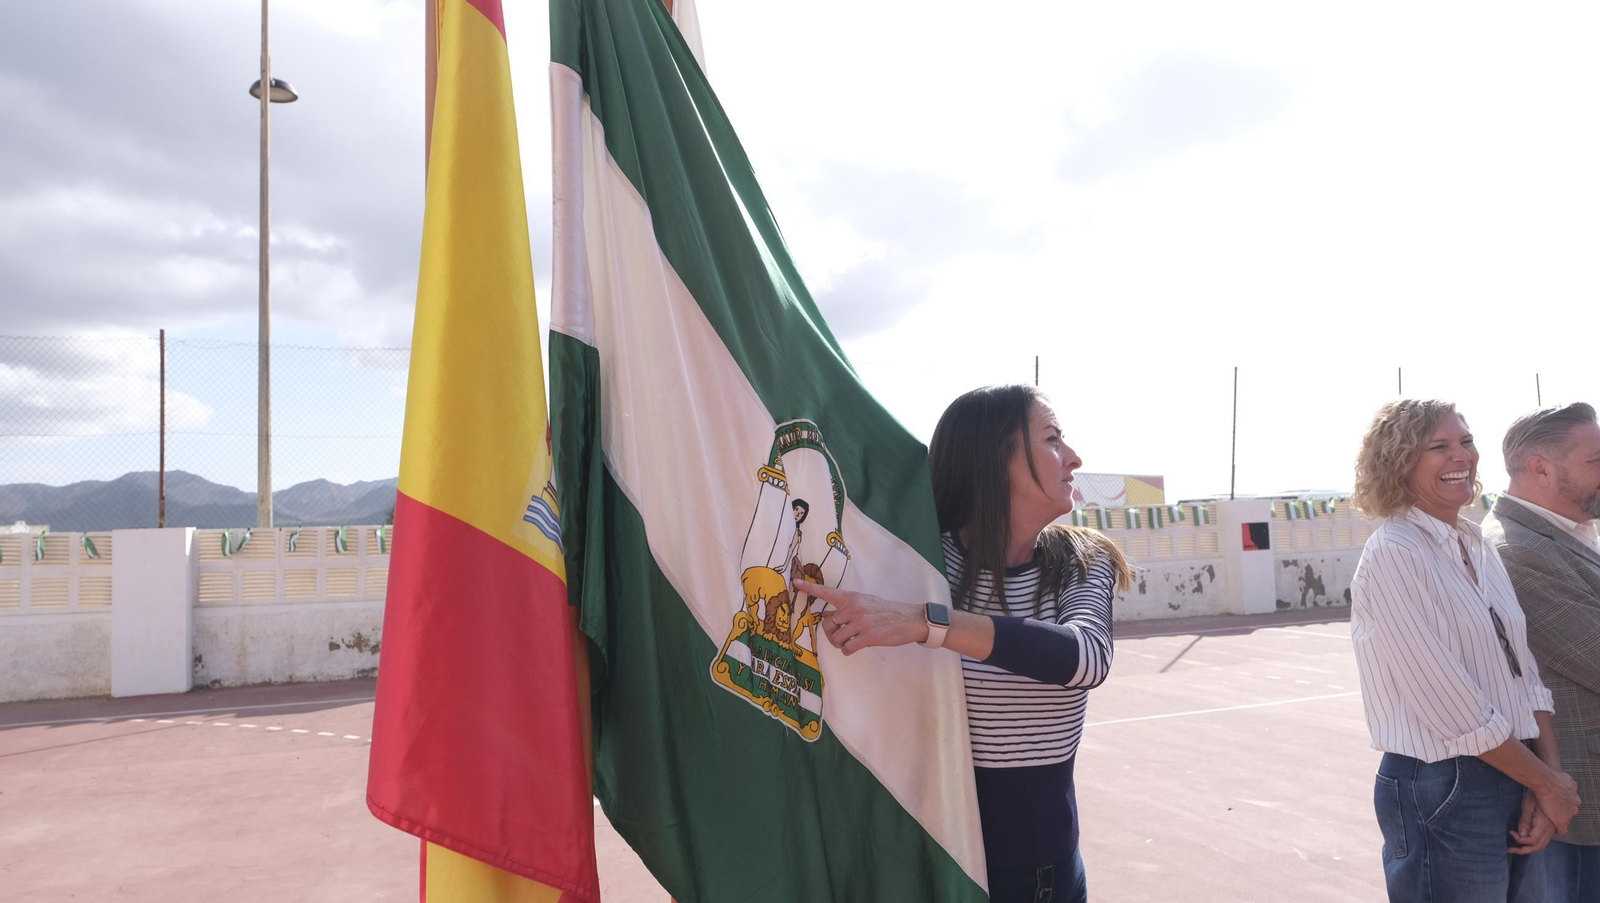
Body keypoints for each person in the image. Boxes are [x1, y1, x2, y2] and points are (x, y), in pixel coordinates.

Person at [796, 384, 1132, 903]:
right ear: (996, 460)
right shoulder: (925, 562)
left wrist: (926, 622)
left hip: (1049, 875)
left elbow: (1084, 657)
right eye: (1051, 439)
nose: (1073, 457)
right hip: (935, 866)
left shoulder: (1083, 560)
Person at [1349, 398, 1579, 902]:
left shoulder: (1476, 543)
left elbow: (1524, 674)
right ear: (1400, 461)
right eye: (1439, 447)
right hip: (1447, 785)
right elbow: (1452, 707)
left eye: (1467, 441)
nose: (1462, 457)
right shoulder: (1394, 553)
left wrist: (1550, 778)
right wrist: (1546, 783)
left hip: (1517, 771)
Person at [1483, 403, 1600, 901]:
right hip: (1581, 807)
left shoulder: (1565, 535)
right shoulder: (1515, 550)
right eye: (1597, 460)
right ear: (1541, 468)